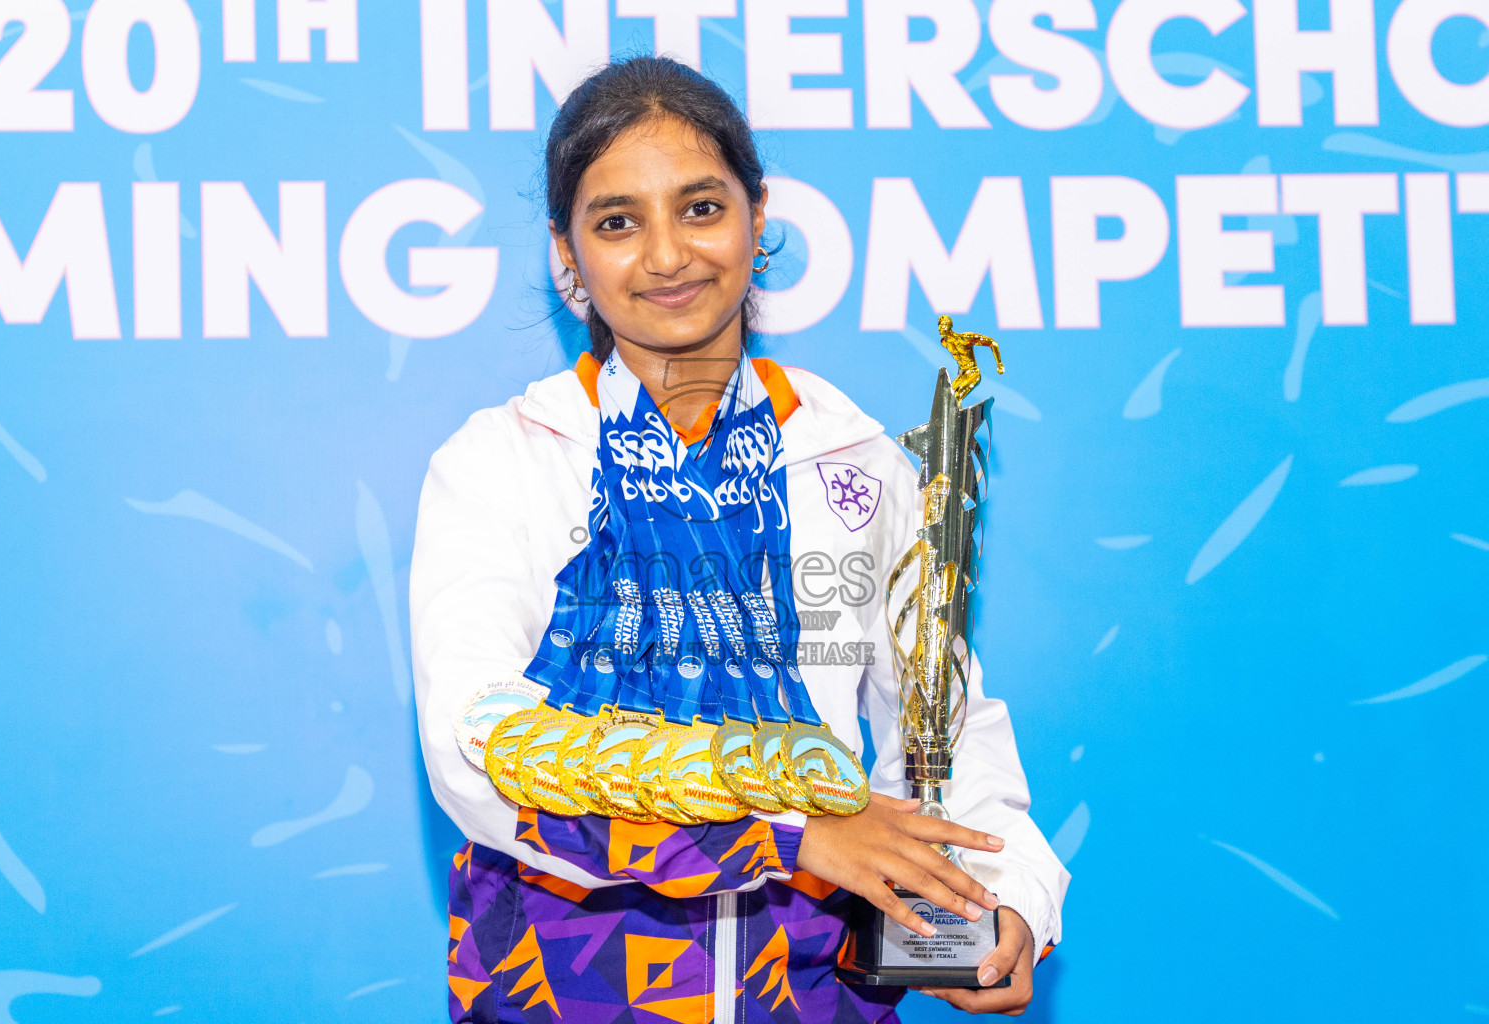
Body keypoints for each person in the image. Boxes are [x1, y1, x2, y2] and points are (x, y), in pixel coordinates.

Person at [410, 56, 1067, 1023]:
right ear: (566, 255)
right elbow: (482, 751)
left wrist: (1006, 897)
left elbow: (941, 719)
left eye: (702, 208)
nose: (668, 254)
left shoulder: (849, 452)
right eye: (618, 221)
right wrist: (789, 831)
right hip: (560, 995)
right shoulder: (506, 462)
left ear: (759, 220)